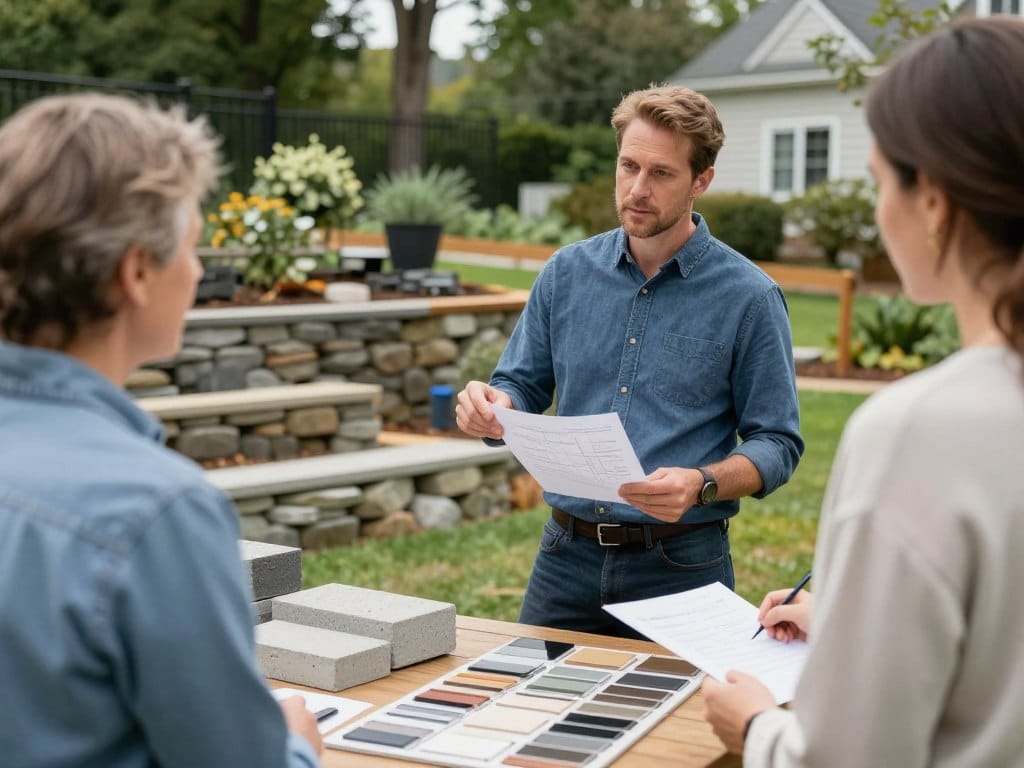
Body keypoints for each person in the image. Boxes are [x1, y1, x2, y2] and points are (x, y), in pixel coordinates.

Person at [702, 16, 1024, 767]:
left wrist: (755, 727)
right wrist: (858, 626)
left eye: (881, 183)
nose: (881, 214)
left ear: (935, 202)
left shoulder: (920, 433)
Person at [0, 94, 322, 766]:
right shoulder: (153, 510)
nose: (200, 270)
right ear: (136, 271)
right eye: (194, 245)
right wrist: (295, 744)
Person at [457, 85, 804, 636]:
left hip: (682, 565)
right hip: (564, 558)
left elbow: (778, 443)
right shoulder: (565, 274)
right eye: (629, 166)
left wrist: (701, 483)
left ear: (701, 180)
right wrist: (494, 405)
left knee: (679, 723)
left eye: (661, 173)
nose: (638, 189)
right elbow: (519, 385)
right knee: (535, 715)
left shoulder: (750, 298)